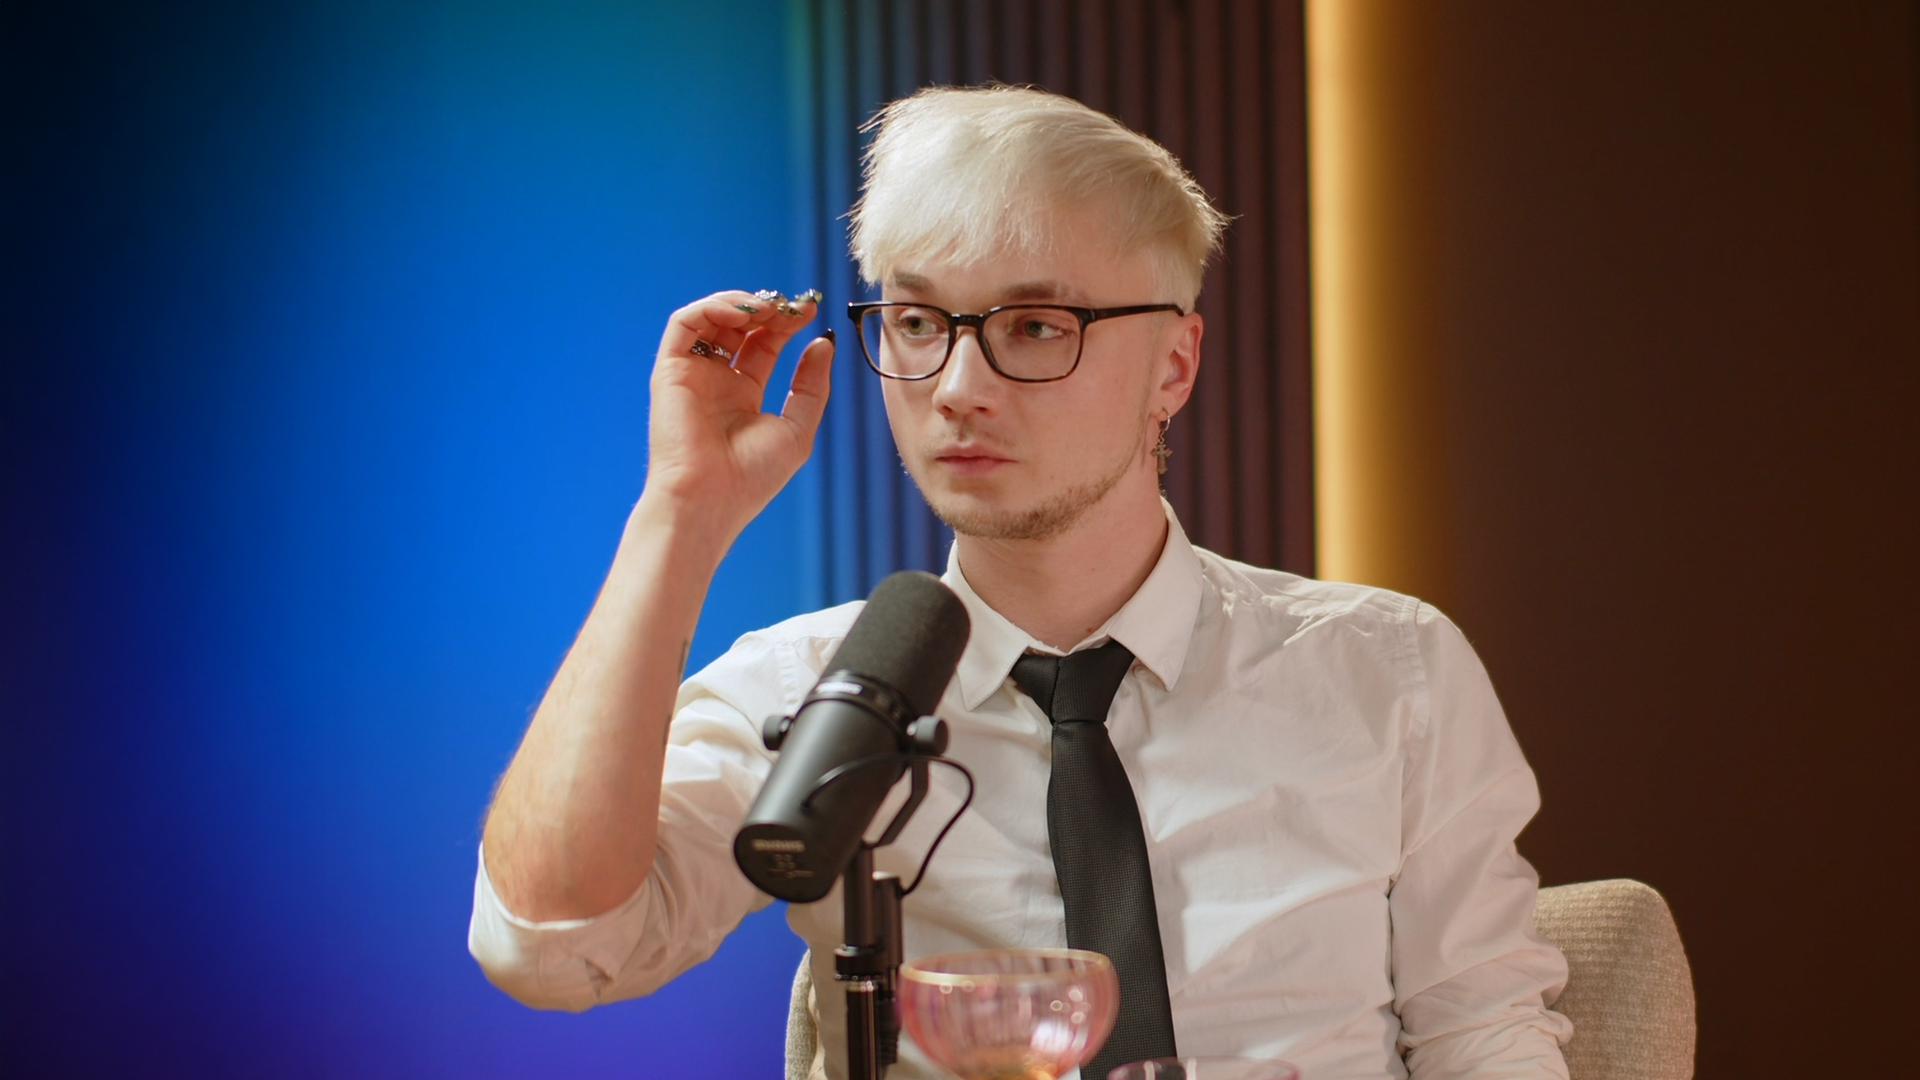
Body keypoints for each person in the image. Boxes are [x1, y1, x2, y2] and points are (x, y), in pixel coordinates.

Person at [469, 86, 1573, 1080]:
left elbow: (1484, 1037)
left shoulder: (1387, 669)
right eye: (915, 322)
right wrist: (679, 516)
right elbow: (554, 950)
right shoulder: (822, 695)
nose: (956, 388)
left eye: (1035, 326)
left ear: (1174, 367)